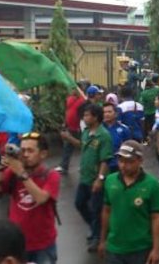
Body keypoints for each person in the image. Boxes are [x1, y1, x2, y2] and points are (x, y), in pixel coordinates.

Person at [0, 133, 60, 264]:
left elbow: (41, 198)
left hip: (43, 245)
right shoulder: (13, 172)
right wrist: (0, 167)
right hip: (18, 245)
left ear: (43, 154)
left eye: (30, 150)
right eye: (22, 150)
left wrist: (21, 173)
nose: (25, 154)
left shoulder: (51, 175)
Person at [98, 140, 159, 264]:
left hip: (140, 250)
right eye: (121, 161)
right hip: (114, 250)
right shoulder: (110, 181)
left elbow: (156, 218)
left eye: (129, 162)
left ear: (140, 161)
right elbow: (106, 211)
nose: (123, 165)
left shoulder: (152, 185)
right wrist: (102, 240)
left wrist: (156, 249)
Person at [60, 104, 114, 252]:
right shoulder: (86, 132)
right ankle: (97, 228)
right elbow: (82, 146)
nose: (84, 118)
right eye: (84, 115)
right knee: (79, 203)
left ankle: (97, 237)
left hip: (96, 180)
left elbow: (105, 160)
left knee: (97, 209)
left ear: (95, 117)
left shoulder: (104, 136)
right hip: (84, 178)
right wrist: (68, 138)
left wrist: (100, 178)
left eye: (87, 115)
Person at [55, 87, 85, 175]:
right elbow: (68, 111)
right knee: (67, 147)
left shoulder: (82, 100)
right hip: (71, 127)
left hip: (79, 127)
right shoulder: (69, 99)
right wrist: (65, 122)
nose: (73, 91)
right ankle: (64, 166)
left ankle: (84, 165)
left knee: (84, 146)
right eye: (72, 89)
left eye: (75, 89)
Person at [103, 103, 132, 173]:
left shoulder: (124, 129)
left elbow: (129, 149)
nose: (106, 114)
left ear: (116, 114)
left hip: (118, 166)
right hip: (101, 166)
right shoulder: (99, 129)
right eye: (104, 112)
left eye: (109, 112)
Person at [140, 74, 159, 142]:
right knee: (154, 127)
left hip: (146, 113)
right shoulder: (157, 90)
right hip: (155, 112)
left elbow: (141, 104)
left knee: (146, 128)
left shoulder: (143, 93)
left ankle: (146, 140)